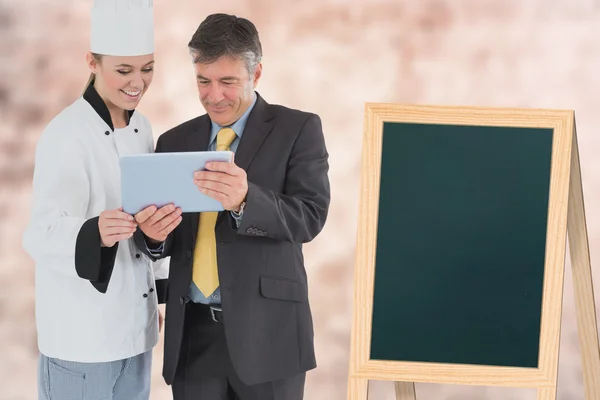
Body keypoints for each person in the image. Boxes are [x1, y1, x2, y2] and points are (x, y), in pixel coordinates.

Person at [133, 12, 331, 400]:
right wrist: (153, 237)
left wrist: (245, 200)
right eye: (203, 81)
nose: (214, 95)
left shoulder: (299, 129)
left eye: (228, 82)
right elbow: (164, 242)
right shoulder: (175, 140)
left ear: (255, 76)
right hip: (193, 337)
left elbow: (310, 216)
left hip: (269, 338)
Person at [21, 0, 181, 399]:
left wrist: (155, 238)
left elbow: (148, 227)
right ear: (91, 62)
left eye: (147, 69)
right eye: (123, 71)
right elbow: (40, 234)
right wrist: (96, 232)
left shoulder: (143, 127)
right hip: (82, 341)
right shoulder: (66, 135)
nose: (137, 83)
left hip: (136, 335)